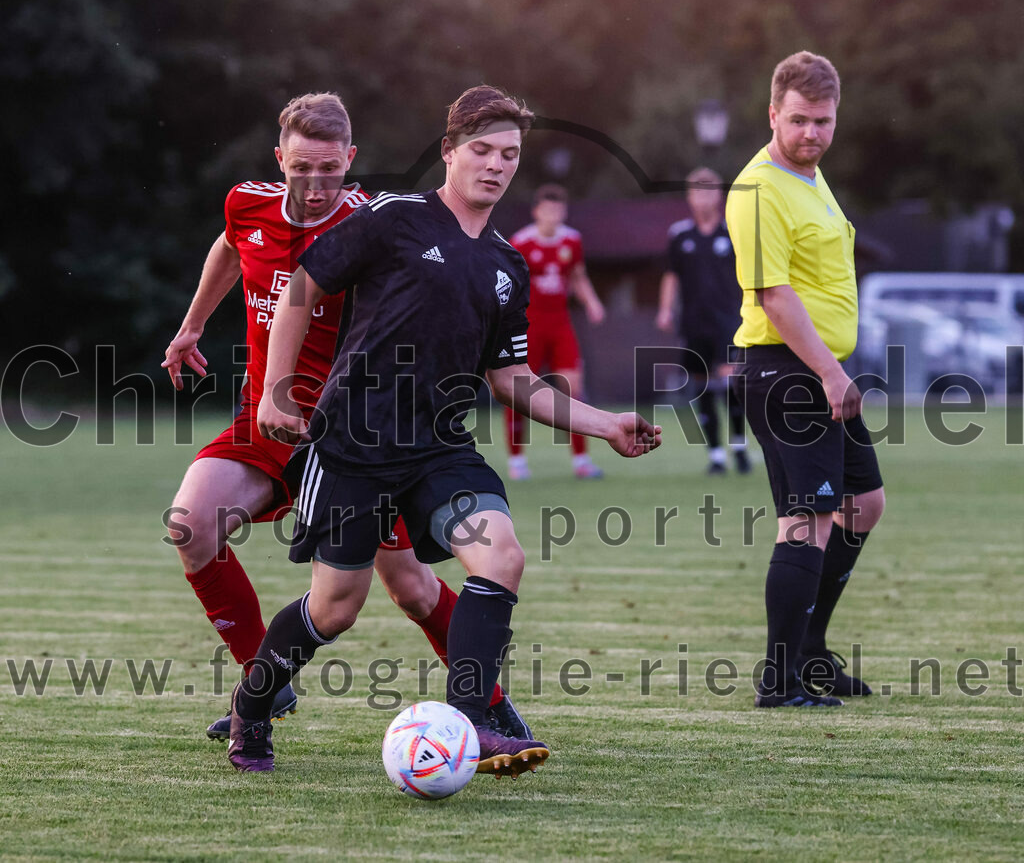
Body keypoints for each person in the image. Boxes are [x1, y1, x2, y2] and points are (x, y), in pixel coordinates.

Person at [229, 85, 661, 775]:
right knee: (335, 608)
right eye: (482, 150)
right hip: (355, 442)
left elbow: (512, 381)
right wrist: (277, 390)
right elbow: (303, 288)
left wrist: (605, 423)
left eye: (509, 154)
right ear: (450, 152)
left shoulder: (507, 265)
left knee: (502, 557)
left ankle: (470, 720)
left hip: (439, 447)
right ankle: (252, 710)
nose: (495, 164)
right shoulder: (397, 217)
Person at [162, 92, 530, 743]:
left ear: (350, 162)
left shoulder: (374, 222)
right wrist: (192, 326)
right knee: (192, 526)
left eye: (329, 169)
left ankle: (489, 705)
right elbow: (229, 245)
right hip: (262, 418)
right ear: (280, 159)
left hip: (346, 432)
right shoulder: (247, 202)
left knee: (410, 590)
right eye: (301, 168)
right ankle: (264, 686)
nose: (314, 183)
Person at [726, 52, 885, 708]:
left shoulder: (812, 179)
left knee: (863, 503)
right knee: (808, 519)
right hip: (790, 374)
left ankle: (811, 651)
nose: (812, 133)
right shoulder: (758, 188)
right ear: (772, 114)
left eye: (823, 121)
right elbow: (773, 295)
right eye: (798, 120)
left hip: (817, 372)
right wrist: (829, 371)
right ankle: (780, 680)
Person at [504, 184, 606, 480]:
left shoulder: (572, 241)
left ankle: (581, 460)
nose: (553, 216)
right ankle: (517, 461)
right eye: (548, 210)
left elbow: (578, 276)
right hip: (529, 325)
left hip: (561, 324)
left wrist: (592, 302)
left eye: (559, 211)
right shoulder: (520, 242)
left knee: (573, 390)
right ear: (537, 212)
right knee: (520, 392)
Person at [656, 167, 750, 475]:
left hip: (728, 321)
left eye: (708, 191)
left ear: (719, 196)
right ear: (689, 197)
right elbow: (670, 276)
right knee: (702, 386)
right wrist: (666, 309)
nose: (702, 198)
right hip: (694, 323)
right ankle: (716, 455)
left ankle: (739, 445)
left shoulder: (732, 232)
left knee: (730, 382)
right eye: (696, 192)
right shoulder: (679, 234)